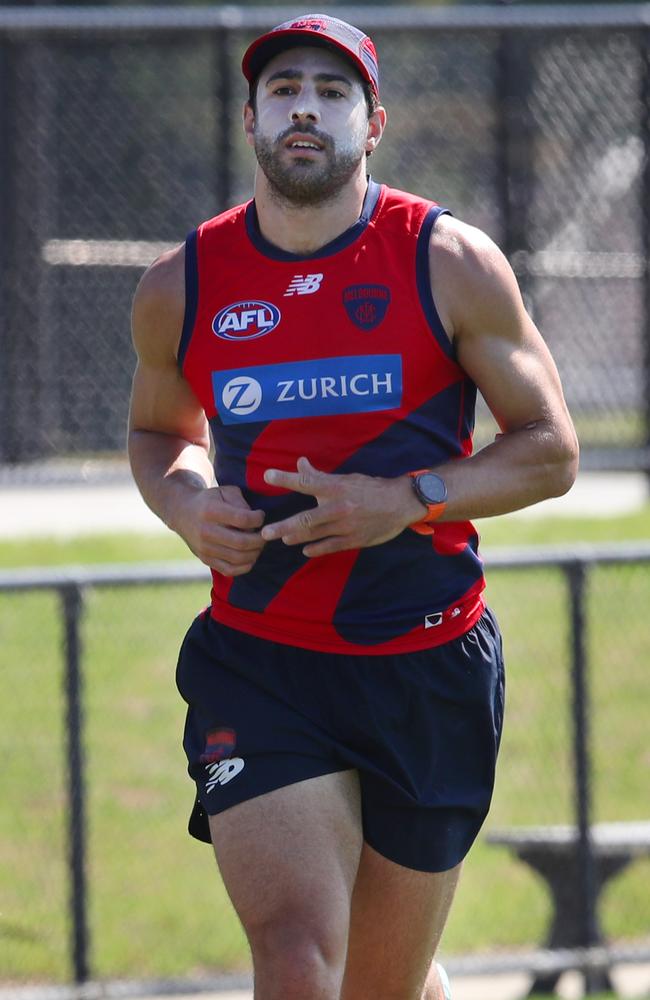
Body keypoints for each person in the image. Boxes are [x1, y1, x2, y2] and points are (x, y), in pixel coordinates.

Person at [128, 14, 579, 1000]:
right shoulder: (184, 282)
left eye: (333, 94)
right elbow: (160, 435)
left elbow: (549, 452)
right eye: (284, 88)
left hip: (424, 664)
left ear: (372, 124)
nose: (306, 108)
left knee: (380, 987)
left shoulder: (446, 259)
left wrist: (405, 500)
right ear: (249, 116)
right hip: (260, 661)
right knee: (295, 962)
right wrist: (184, 502)